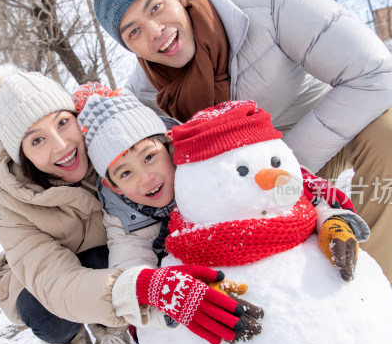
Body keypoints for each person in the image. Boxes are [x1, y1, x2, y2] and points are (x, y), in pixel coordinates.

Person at [92, 0, 392, 344]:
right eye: (134, 32)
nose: (155, 32)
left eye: (155, 7)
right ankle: (275, 302)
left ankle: (371, 292)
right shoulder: (146, 94)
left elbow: (375, 75)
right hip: (242, 178)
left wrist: (283, 167)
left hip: (316, 138)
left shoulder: (268, 4)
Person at [0, 65, 257, 344]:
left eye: (63, 122)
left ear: (76, 117)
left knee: (113, 258)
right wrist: (145, 293)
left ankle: (111, 331)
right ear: (21, 154)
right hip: (42, 282)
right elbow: (54, 283)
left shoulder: (110, 142)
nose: (61, 145)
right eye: (37, 140)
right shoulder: (11, 202)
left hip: (111, 256)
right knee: (48, 317)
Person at [76, 88, 368, 287]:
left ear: (170, 146)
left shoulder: (205, 166)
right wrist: (156, 291)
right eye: (126, 173)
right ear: (112, 187)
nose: (146, 178)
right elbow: (130, 266)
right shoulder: (122, 218)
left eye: (149, 157)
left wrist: (326, 218)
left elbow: (287, 188)